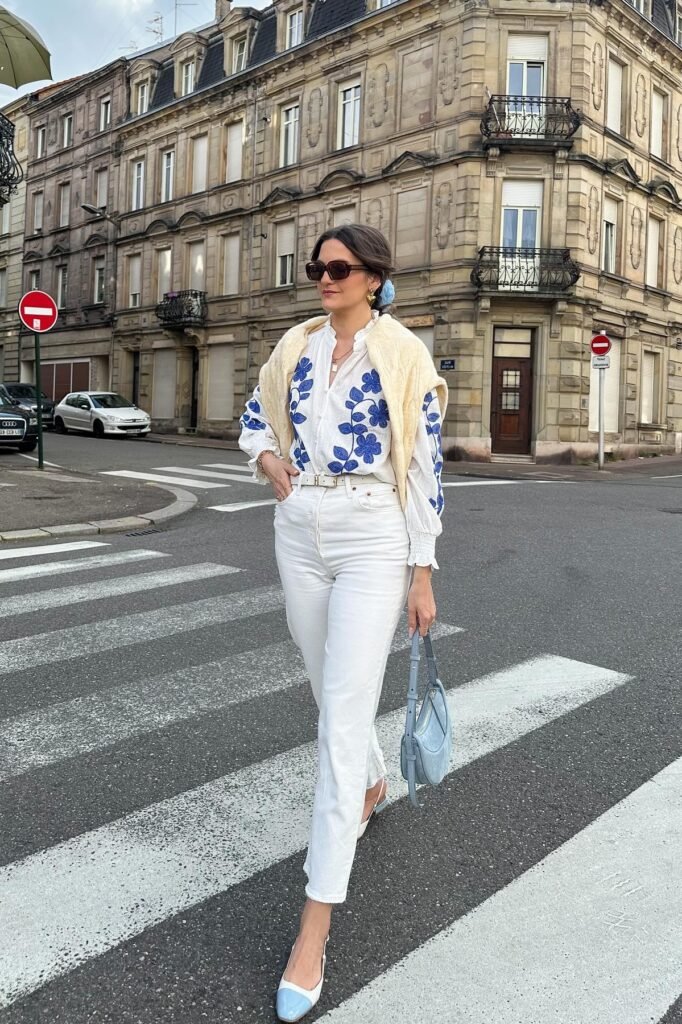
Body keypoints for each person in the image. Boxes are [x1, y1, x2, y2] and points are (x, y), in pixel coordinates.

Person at [239, 223, 447, 1022]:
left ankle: (314, 926)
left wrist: (421, 570)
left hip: (371, 532)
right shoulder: (296, 343)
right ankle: (369, 778)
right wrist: (268, 464)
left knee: (341, 714)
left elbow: (426, 468)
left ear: (373, 279)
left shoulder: (404, 355)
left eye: (338, 269)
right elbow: (256, 418)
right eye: (316, 267)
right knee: (325, 691)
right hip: (300, 525)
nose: (322, 278)